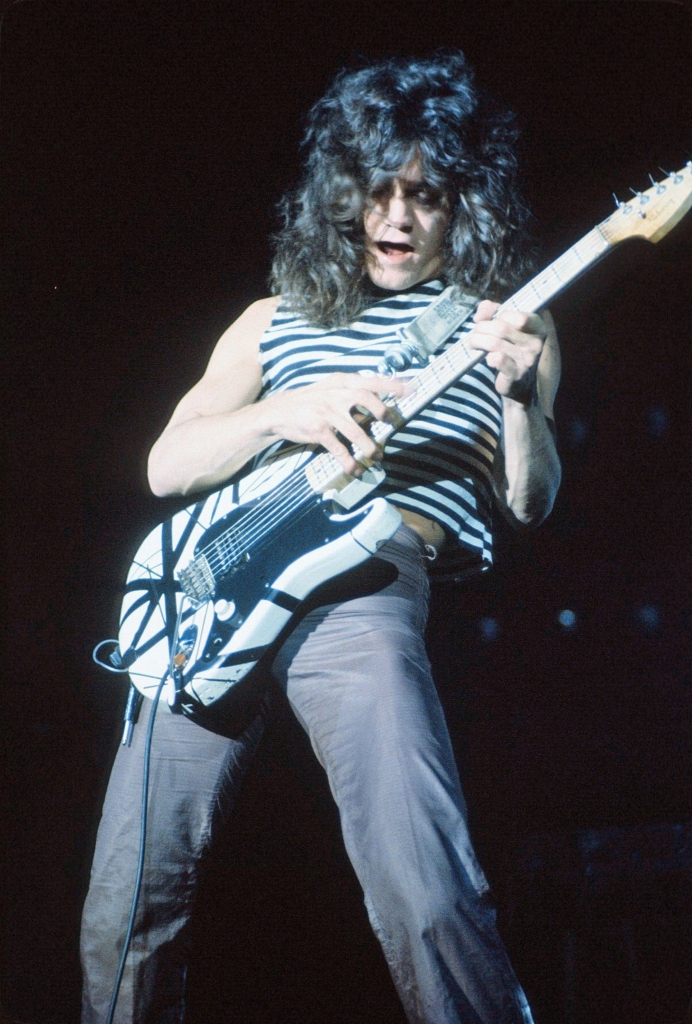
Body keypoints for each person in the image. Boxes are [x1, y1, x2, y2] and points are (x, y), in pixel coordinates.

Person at [80, 51, 561, 1024]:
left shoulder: (507, 325)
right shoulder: (271, 320)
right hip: (216, 589)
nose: (396, 216)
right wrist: (282, 413)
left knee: (425, 888)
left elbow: (530, 499)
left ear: (463, 205)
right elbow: (165, 464)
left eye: (424, 195)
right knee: (125, 906)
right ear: (341, 194)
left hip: (364, 583)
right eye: (376, 190)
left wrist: (517, 397)